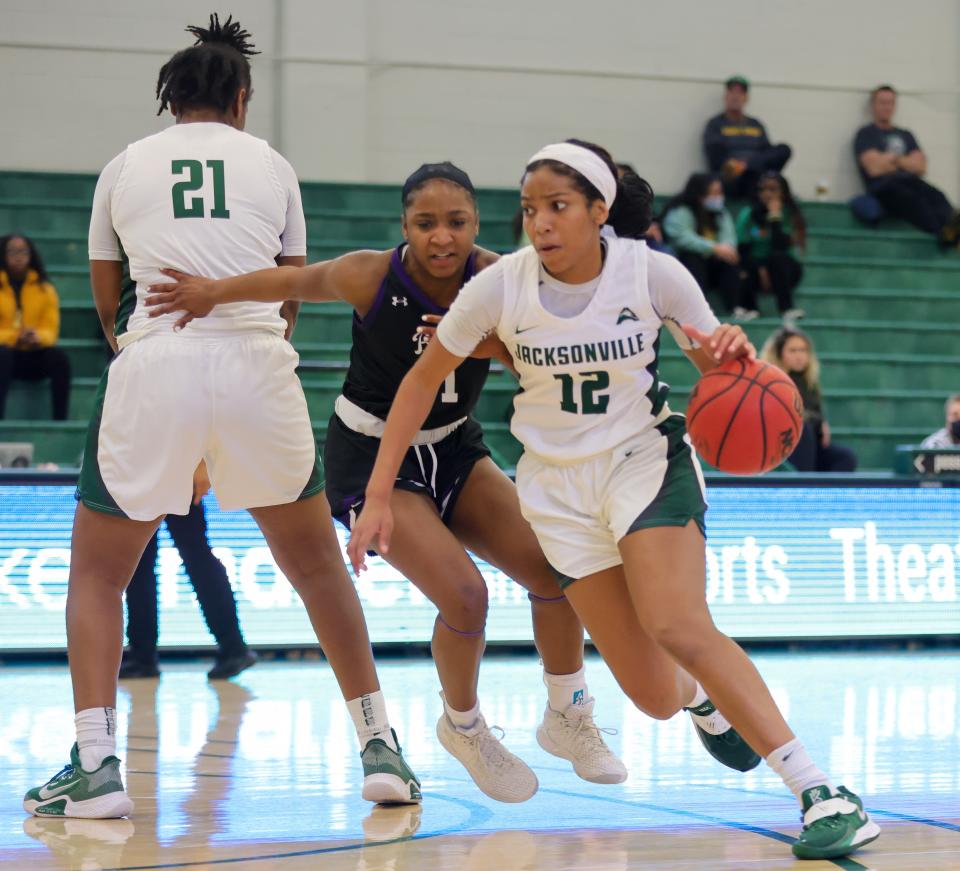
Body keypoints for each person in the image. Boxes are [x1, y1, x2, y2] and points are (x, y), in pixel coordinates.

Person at [145, 160, 768, 801]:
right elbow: (295, 277)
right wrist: (211, 292)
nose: (442, 237)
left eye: (457, 222)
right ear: (405, 226)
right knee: (467, 597)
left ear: (477, 223)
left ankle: (568, 713)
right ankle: (464, 726)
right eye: (425, 223)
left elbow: (550, 341)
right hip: (371, 454)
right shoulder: (371, 274)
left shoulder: (504, 278)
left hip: (456, 447)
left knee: (557, 568)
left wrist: (482, 345)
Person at [345, 139, 880, 862]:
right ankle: (700, 699)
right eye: (530, 208)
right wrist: (379, 492)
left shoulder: (652, 272)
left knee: (677, 621)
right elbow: (417, 383)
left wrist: (733, 354)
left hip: (644, 462)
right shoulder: (500, 287)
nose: (540, 222)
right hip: (558, 494)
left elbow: (715, 367)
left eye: (558, 207)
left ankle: (821, 790)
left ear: (600, 212)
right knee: (656, 694)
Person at [23, 14, 419, 819]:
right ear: (240, 98)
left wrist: (149, 354)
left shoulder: (122, 167)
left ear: (173, 101)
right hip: (255, 363)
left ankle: (97, 766)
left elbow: (107, 301)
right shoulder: (273, 166)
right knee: (315, 568)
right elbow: (290, 292)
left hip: (156, 358)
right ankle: (380, 746)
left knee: (100, 573)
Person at [119, 460, 257, 681]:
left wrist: (201, 463)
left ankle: (233, 646)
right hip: (154, 466)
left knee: (190, 555)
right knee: (156, 558)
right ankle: (143, 655)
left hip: (168, 466)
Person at [854, 85, 960, 247]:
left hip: (910, 181)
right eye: (882, 102)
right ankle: (943, 234)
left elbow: (921, 167)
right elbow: (874, 169)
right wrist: (905, 161)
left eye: (890, 103)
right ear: (873, 105)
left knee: (937, 195)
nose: (886, 107)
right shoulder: (866, 134)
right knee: (911, 199)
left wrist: (891, 159)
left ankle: (953, 231)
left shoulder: (906, 135)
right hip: (884, 187)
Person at [760, 327, 857, 472]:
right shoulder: (771, 382)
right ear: (779, 354)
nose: (799, 356)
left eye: (803, 350)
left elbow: (816, 413)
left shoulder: (810, 382)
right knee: (803, 428)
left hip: (814, 447)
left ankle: (823, 494)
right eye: (793, 350)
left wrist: (822, 422)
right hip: (785, 451)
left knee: (846, 457)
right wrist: (815, 421)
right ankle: (803, 486)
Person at [0, 234, 71, 420]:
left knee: (59, 359)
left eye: (23, 251)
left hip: (32, 352)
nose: (18, 256)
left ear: (31, 254)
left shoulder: (45, 289)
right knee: (2, 355)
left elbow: (51, 330)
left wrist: (37, 337)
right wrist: (15, 337)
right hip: (5, 355)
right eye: (12, 251)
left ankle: (60, 422)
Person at [661, 174, 742, 316]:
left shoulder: (720, 212)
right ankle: (700, 309)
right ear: (700, 194)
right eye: (714, 192)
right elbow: (682, 238)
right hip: (684, 261)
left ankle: (735, 308)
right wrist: (714, 248)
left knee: (729, 261)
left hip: (712, 261)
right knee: (694, 259)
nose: (719, 196)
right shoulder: (680, 210)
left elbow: (729, 236)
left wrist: (726, 249)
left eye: (720, 192)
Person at [703, 76, 792, 198]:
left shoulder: (755, 124)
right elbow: (716, 157)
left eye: (740, 93)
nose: (736, 96)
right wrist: (736, 166)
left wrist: (747, 164)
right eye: (732, 92)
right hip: (732, 179)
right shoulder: (715, 124)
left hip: (755, 174)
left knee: (784, 149)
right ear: (725, 97)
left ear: (746, 98)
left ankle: (749, 169)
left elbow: (767, 153)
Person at [736, 172, 806, 322]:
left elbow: (780, 246)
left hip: (784, 270)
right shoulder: (748, 214)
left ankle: (786, 309)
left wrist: (775, 217)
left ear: (783, 192)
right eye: (763, 190)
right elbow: (743, 249)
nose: (767, 194)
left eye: (773, 190)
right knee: (744, 269)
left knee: (778, 258)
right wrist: (761, 269)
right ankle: (749, 308)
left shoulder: (790, 214)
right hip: (756, 266)